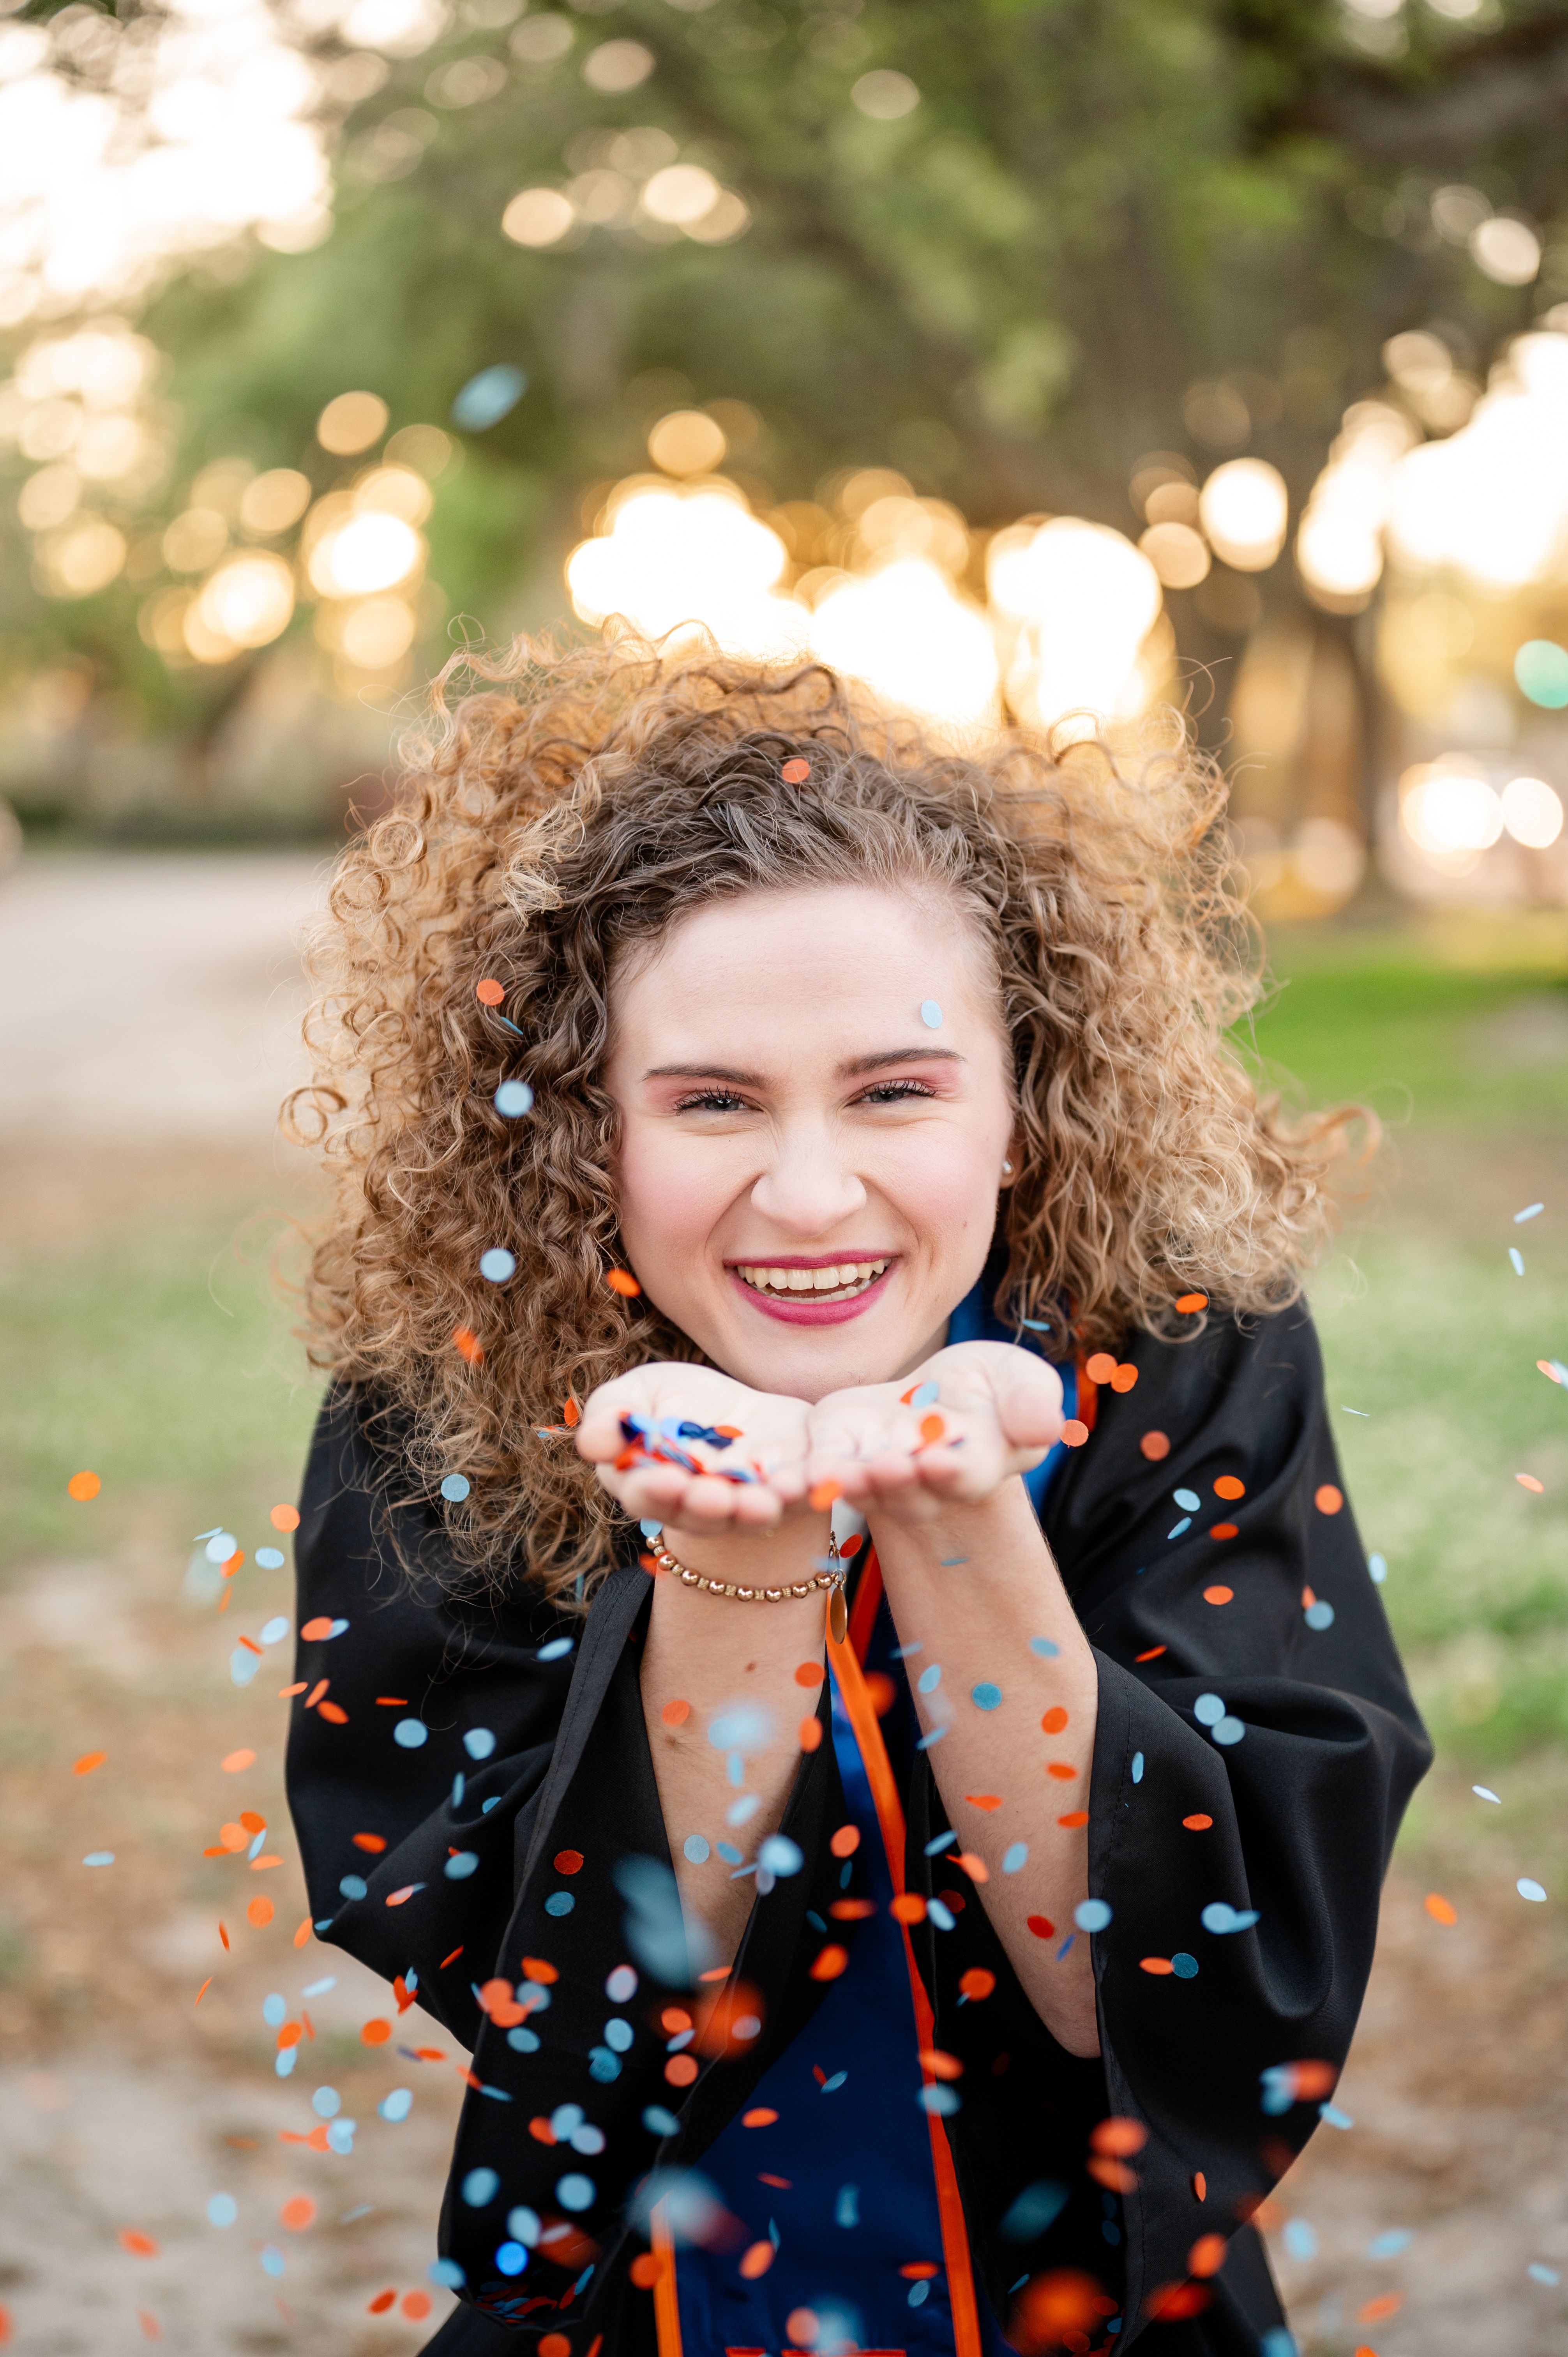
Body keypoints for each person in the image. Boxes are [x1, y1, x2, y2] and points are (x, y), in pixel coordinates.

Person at [283, 642, 1429, 2357]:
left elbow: (1173, 2005)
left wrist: (955, 1519)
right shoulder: (445, 1388)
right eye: (711, 1102)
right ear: (589, 1128)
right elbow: (582, 2033)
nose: (809, 1197)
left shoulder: (1191, 1358)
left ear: (1020, 1109)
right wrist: (737, 1547)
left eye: (896, 1090)